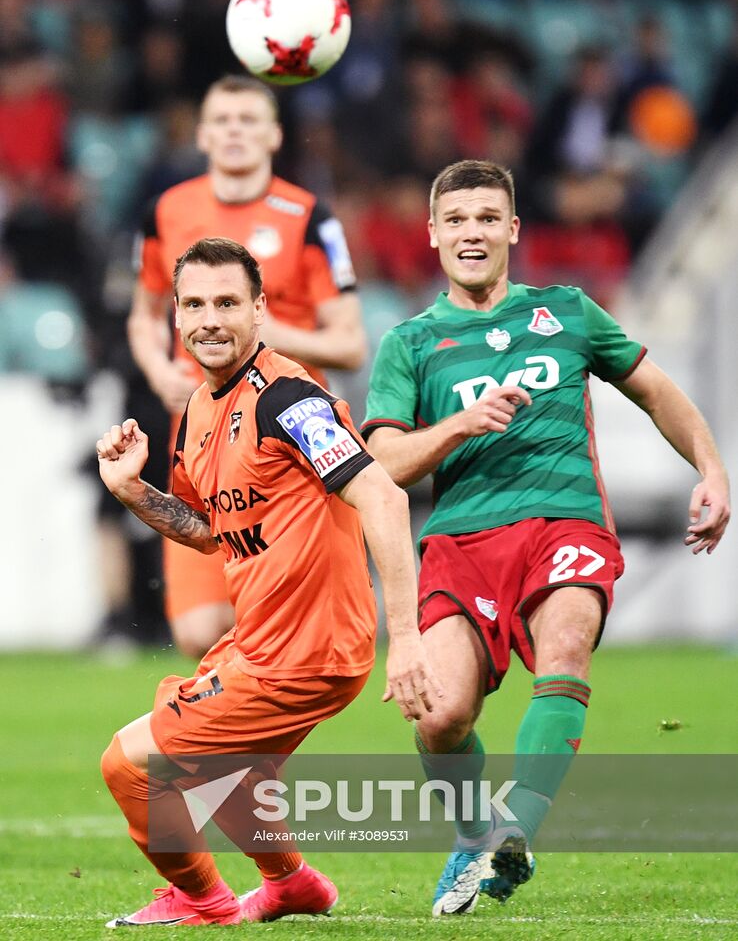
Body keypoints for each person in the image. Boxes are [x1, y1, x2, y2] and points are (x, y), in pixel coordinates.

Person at [361, 159, 730, 916]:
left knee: (564, 652)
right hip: (461, 545)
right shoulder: (411, 342)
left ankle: (515, 834)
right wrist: (460, 423)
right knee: (440, 717)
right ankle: (476, 834)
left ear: (513, 230)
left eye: (488, 218)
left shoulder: (566, 312)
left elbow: (657, 392)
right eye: (457, 220)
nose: (473, 233)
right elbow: (384, 465)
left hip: (565, 521)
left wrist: (712, 470)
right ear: (432, 234)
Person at [97, 236, 439, 927]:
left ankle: (203, 902)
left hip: (306, 651)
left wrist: (406, 637)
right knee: (234, 776)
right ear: (175, 316)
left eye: (228, 302)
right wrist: (133, 493)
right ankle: (291, 886)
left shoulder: (290, 400)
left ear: (259, 309)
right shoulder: (197, 409)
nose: (210, 319)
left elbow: (384, 496)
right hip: (260, 639)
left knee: (130, 766)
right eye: (194, 304)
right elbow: (211, 528)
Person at [128, 73, 367, 658]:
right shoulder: (166, 211)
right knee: (197, 631)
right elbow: (142, 314)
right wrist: (160, 372)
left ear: (275, 136)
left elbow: (351, 344)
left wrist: (248, 330)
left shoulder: (310, 217)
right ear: (202, 134)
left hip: (285, 439)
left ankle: (254, 725)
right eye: (223, 121)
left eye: (249, 120)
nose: (235, 131)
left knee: (276, 629)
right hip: (203, 434)